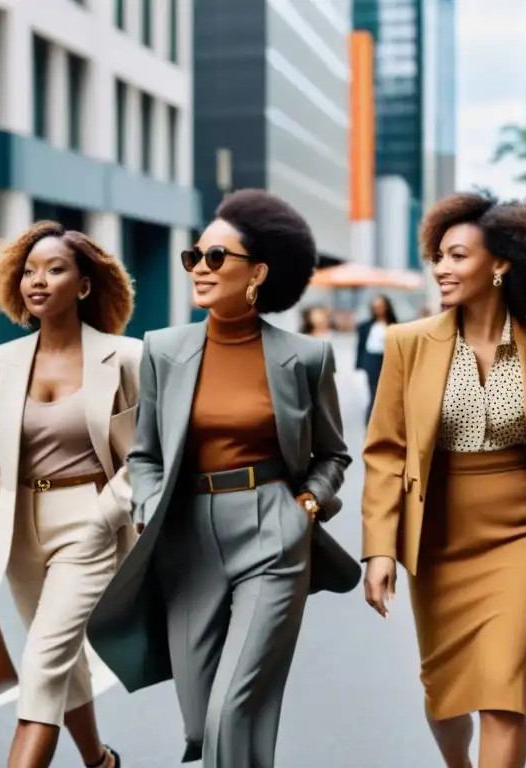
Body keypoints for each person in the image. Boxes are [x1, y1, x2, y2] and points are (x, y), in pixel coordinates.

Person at [89, 189, 352, 767]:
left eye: (215, 258)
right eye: (194, 257)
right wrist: (149, 504)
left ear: (257, 272)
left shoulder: (306, 357)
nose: (198, 270)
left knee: (233, 706)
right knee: (200, 716)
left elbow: (333, 455)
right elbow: (145, 454)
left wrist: (305, 506)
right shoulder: (162, 350)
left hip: (272, 530)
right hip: (185, 537)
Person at [362, 192, 526, 768]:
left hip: (525, 536)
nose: (442, 269)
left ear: (501, 263)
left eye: (457, 256)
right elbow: (385, 453)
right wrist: (378, 549)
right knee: (445, 697)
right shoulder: (407, 345)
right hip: (438, 538)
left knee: (503, 696)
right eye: (439, 257)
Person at [0, 221, 140, 768]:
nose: (39, 281)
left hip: (89, 520)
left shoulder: (125, 358)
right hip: (19, 530)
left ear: (83, 286)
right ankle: (99, 761)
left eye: (55, 269)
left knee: (41, 662)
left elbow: (147, 456)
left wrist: (106, 516)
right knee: (61, 661)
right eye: (30, 271)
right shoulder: (0, 362)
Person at [355, 294, 398, 424]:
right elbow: (361, 346)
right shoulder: (365, 326)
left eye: (380, 306)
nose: (378, 309)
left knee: (389, 391)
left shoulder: (394, 325)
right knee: (373, 390)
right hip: (371, 360)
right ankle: (371, 420)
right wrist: (359, 364)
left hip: (388, 359)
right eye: (375, 306)